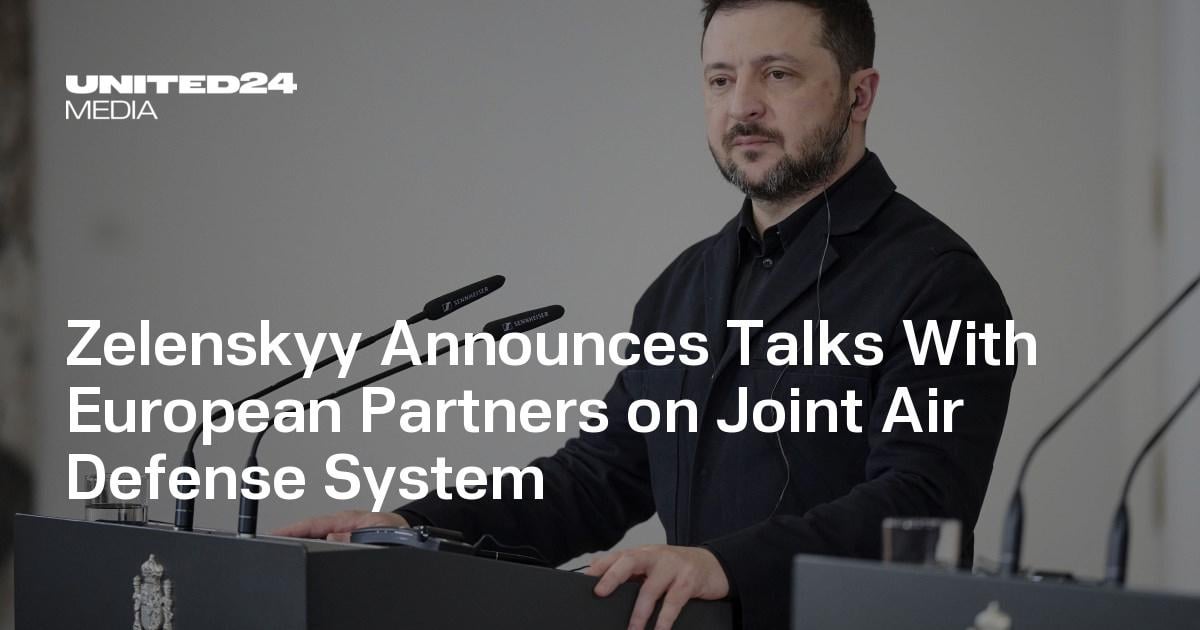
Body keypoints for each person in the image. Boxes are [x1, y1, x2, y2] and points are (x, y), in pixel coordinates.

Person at [277, 1, 1016, 628]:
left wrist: (722, 564)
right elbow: (597, 479)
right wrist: (412, 526)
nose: (742, 106)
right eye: (720, 79)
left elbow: (921, 506)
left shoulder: (939, 282)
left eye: (777, 74)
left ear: (860, 95)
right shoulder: (683, 286)